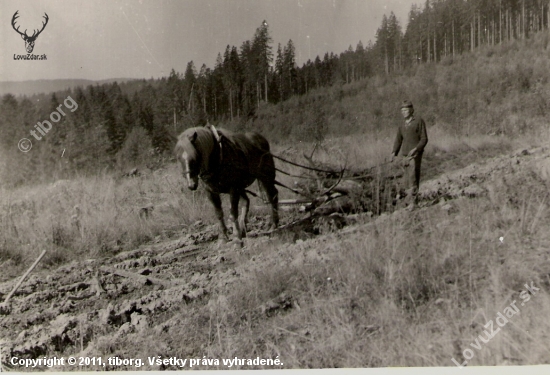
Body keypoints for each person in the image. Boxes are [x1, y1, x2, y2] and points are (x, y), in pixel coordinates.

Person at [390, 100, 428, 209]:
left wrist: (416, 149)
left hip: (415, 155)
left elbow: (424, 139)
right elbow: (398, 139)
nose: (404, 112)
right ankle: (407, 202)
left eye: (406, 110)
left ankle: (413, 202)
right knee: (406, 178)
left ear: (411, 110)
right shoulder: (402, 124)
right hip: (405, 155)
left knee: (413, 177)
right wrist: (394, 152)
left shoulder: (419, 121)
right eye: (402, 110)